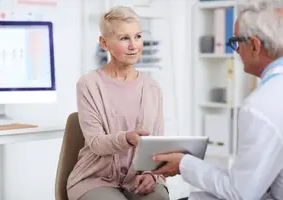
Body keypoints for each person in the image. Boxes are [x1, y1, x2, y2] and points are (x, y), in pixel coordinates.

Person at [150, 1, 283, 200]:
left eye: (237, 41)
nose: (236, 50)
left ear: (255, 45)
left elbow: (239, 193)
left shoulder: (259, 107)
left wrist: (183, 164)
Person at [66, 5, 169, 200]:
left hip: (137, 178)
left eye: (138, 36)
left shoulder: (152, 87)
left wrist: (151, 173)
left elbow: (156, 144)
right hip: (95, 179)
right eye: (124, 38)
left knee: (159, 197)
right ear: (104, 43)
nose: (133, 45)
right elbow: (96, 143)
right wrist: (127, 138)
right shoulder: (89, 85)